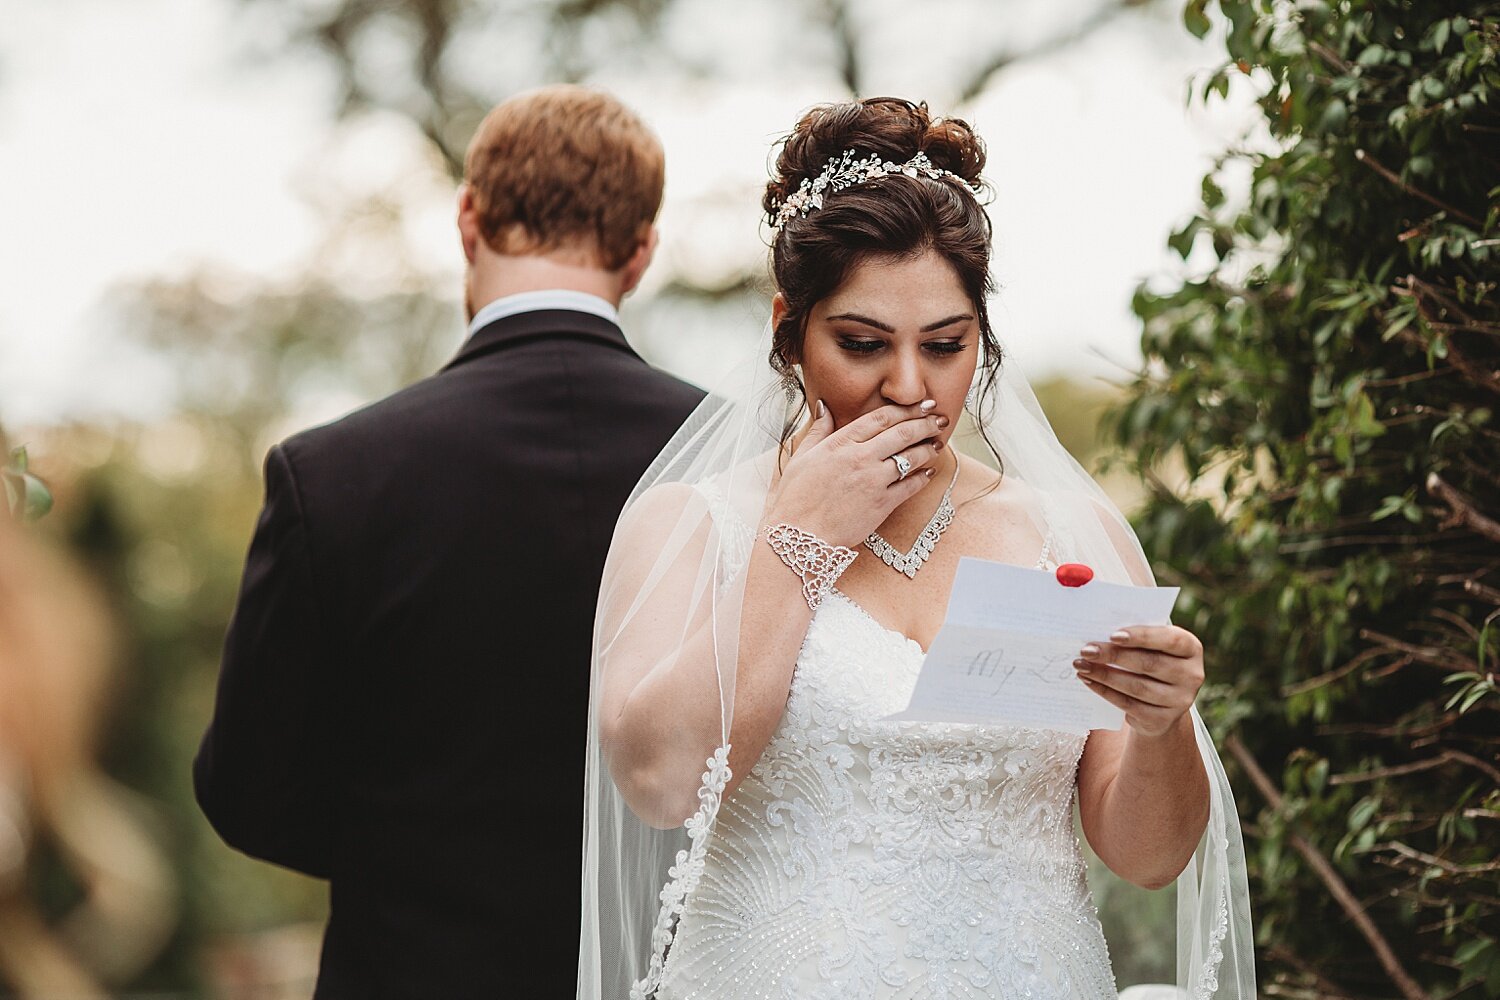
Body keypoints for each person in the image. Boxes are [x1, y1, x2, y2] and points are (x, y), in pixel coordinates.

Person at [579, 98, 1255, 999]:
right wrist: (800, 540)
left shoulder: (1068, 533)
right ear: (791, 328)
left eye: (946, 345)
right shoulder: (690, 523)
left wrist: (1159, 721)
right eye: (862, 343)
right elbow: (663, 784)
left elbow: (1147, 856)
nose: (908, 387)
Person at [194, 85, 705, 998]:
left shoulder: (331, 472)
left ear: (467, 220)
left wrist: (407, 854)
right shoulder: (736, 465)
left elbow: (247, 793)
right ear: (641, 253)